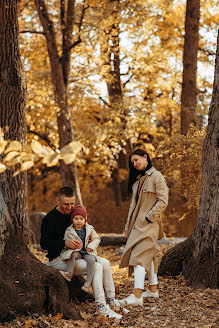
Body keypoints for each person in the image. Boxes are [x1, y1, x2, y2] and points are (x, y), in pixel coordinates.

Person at [40, 186, 123, 319]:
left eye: (72, 203)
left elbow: (87, 232)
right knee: (96, 267)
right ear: (57, 200)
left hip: (79, 254)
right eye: (66, 204)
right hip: (59, 260)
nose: (69, 207)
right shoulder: (50, 219)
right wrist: (65, 243)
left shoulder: (75, 214)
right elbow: (44, 244)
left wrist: (87, 242)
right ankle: (101, 307)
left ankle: (111, 300)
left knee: (105, 263)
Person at [119, 149, 169, 307]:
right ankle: (153, 290)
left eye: (137, 160)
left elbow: (163, 200)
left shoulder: (157, 176)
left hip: (149, 225)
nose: (135, 164)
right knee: (149, 255)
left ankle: (137, 295)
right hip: (137, 226)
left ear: (145, 157)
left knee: (139, 256)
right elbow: (132, 207)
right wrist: (128, 227)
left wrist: (149, 217)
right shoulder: (137, 180)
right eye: (132, 162)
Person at [59, 205, 101, 293]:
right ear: (72, 220)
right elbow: (65, 241)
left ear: (85, 219)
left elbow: (97, 239)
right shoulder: (69, 230)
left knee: (91, 260)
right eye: (76, 218)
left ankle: (88, 283)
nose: (78, 221)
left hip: (87, 251)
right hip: (76, 251)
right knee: (72, 255)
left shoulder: (89, 229)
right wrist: (70, 244)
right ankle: (69, 273)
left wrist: (91, 246)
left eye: (81, 219)